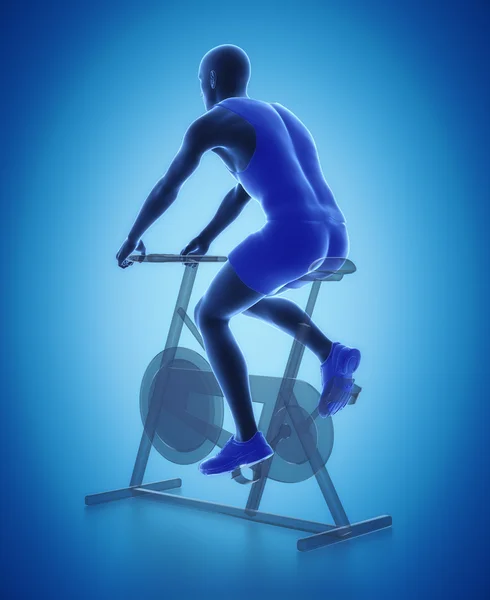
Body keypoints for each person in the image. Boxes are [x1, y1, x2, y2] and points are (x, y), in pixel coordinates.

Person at [116, 44, 361, 477]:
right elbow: (244, 190)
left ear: (210, 80)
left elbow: (168, 186)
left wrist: (133, 237)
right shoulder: (282, 116)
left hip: (294, 235)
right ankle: (330, 352)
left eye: (200, 83)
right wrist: (205, 236)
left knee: (209, 314)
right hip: (334, 236)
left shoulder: (212, 122)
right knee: (246, 297)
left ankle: (248, 439)